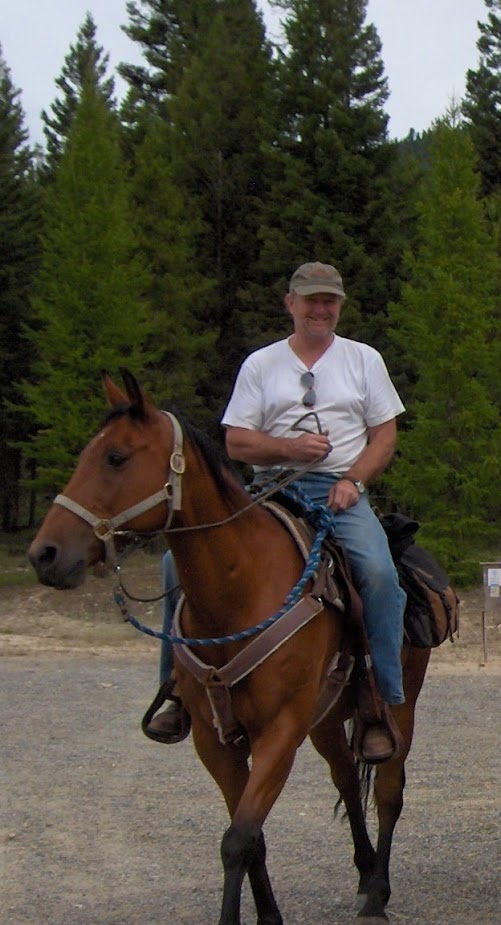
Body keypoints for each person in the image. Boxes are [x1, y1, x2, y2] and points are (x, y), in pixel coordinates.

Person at [143, 261, 408, 764]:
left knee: (377, 572)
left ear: (339, 306)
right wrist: (290, 448)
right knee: (175, 566)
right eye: (311, 300)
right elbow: (236, 442)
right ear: (291, 304)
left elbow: (385, 436)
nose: (321, 309)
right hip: (268, 489)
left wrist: (354, 480)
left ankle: (378, 700)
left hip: (339, 491)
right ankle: (175, 690)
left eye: (330, 300)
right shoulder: (261, 365)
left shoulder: (364, 360)